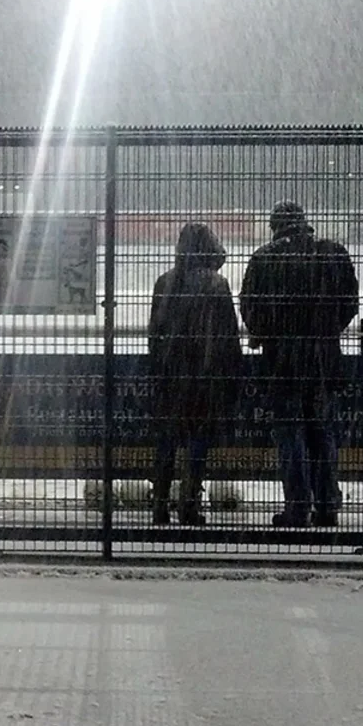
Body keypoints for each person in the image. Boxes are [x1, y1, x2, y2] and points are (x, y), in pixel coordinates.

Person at [238, 200, 359, 528]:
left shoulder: (265, 257)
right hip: (322, 359)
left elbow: (249, 306)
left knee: (291, 433)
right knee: (322, 431)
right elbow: (350, 302)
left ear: (275, 225)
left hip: (283, 362)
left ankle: (297, 506)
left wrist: (267, 334)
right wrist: (326, 330)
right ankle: (327, 504)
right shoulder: (332, 253)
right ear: (305, 222)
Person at [145, 223, 242, 527]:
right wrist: (231, 374)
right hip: (204, 374)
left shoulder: (165, 282)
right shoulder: (216, 284)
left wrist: (158, 367)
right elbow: (227, 335)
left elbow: (154, 332)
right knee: (198, 440)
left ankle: (160, 503)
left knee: (167, 440)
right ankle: (189, 503)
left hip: (170, 373)